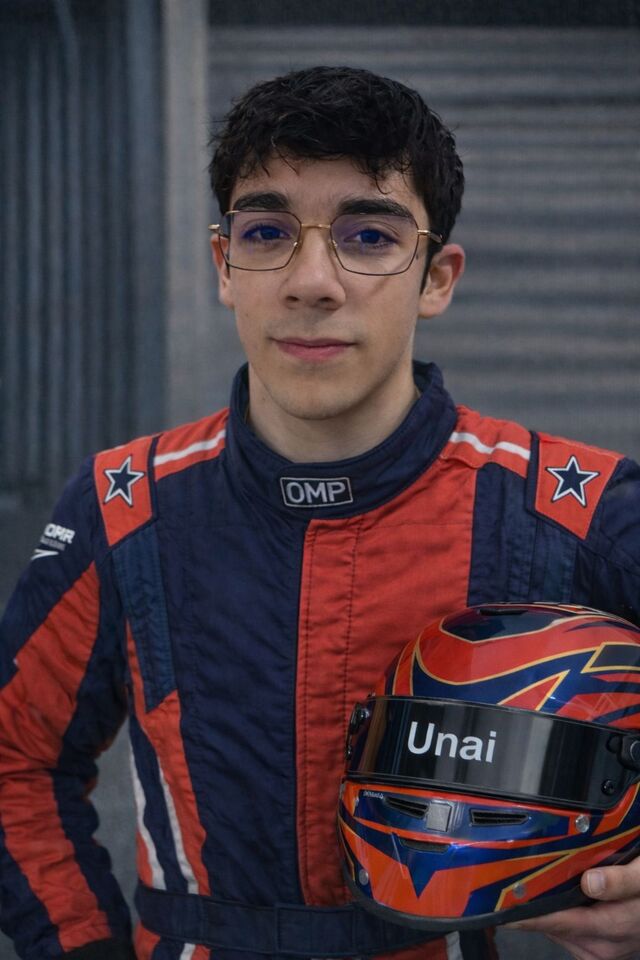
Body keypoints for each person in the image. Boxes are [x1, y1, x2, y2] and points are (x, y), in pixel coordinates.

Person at [0, 65, 639, 960]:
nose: (311, 282)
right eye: (266, 232)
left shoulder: (574, 508)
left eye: (368, 236)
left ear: (437, 277)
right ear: (224, 266)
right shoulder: (124, 504)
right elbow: (14, 760)